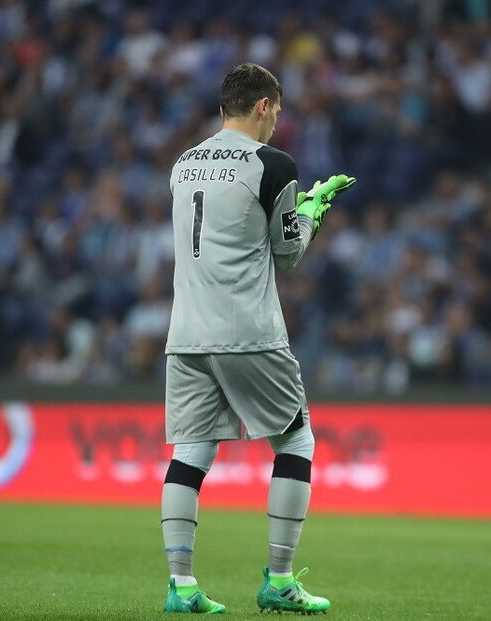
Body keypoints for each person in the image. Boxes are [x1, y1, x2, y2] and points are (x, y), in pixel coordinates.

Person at [161, 63, 354, 614]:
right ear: (265, 106)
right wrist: (311, 212)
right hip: (247, 330)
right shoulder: (274, 164)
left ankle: (182, 586)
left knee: (192, 452)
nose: (277, 123)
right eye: (278, 112)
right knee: (295, 441)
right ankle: (279, 579)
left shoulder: (184, 163)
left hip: (187, 332)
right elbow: (288, 253)